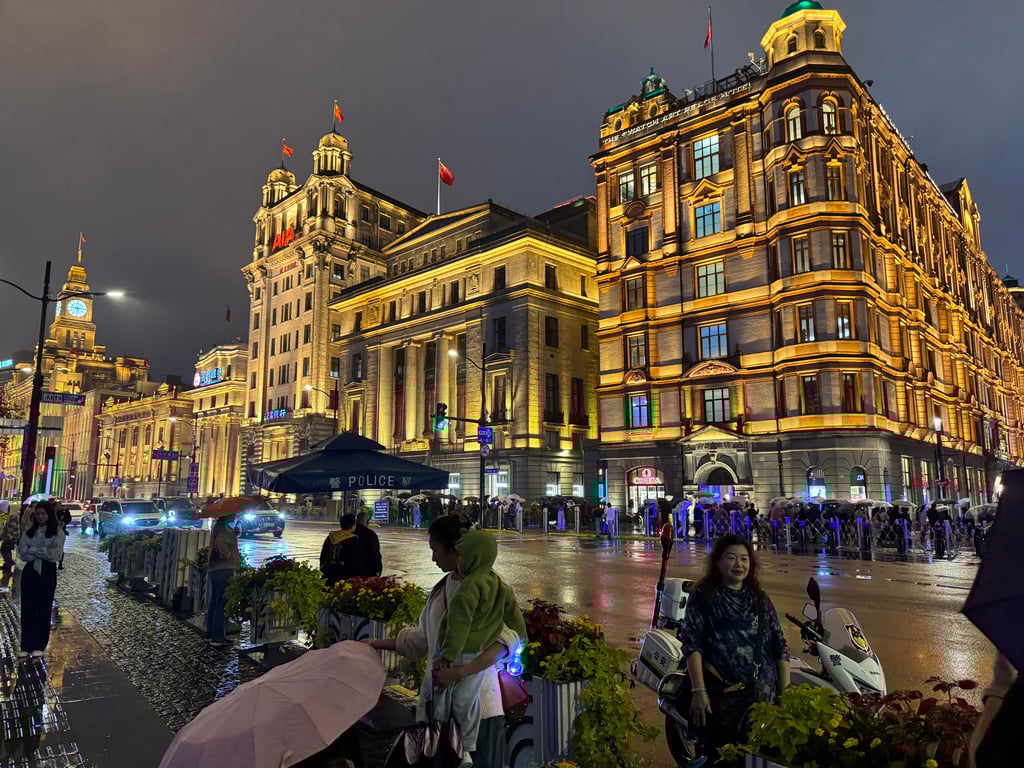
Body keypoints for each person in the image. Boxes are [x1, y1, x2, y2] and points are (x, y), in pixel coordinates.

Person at [368, 517, 525, 767]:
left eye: (436, 550)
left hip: (480, 711)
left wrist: (462, 672)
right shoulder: (442, 589)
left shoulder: (488, 588)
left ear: (459, 550)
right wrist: (375, 644)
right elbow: (423, 639)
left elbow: (509, 641)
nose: (433, 558)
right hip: (438, 711)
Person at [680, 534, 788, 765]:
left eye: (744, 559)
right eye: (731, 558)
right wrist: (699, 691)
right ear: (717, 562)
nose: (739, 565)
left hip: (761, 699)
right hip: (722, 698)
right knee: (724, 758)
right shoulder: (704, 595)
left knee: (759, 758)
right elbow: (692, 643)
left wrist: (784, 695)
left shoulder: (759, 599)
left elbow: (780, 646)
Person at [17, 501, 66, 659]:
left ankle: (39, 645)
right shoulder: (29, 532)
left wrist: (33, 550)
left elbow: (55, 555)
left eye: (43, 513)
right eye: (37, 514)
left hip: (47, 572)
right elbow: (23, 553)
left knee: (44, 608)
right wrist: (43, 550)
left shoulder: (57, 533)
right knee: (28, 608)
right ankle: (26, 645)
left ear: (49, 514)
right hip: (30, 572)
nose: (40, 517)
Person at [207, 513, 240, 646]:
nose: (235, 516)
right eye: (233, 514)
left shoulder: (219, 525)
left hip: (215, 569)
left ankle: (211, 634)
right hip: (224, 569)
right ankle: (218, 637)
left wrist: (235, 533)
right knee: (221, 604)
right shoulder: (223, 528)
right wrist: (227, 554)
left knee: (215, 602)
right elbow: (220, 543)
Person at [319, 513, 366, 586]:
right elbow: (357, 560)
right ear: (353, 526)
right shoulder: (354, 540)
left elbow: (323, 556)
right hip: (345, 576)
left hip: (328, 573)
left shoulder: (330, 537)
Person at [354, 511, 382, 577]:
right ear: (367, 522)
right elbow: (375, 553)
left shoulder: (351, 533)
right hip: (367, 571)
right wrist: (378, 569)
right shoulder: (371, 534)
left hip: (351, 570)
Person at [1, 505, 22, 569]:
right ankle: (9, 562)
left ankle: (9, 563)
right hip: (12, 537)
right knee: (7, 550)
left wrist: (6, 537)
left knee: (4, 550)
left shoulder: (13, 516)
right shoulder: (13, 515)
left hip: (11, 537)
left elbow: (10, 529)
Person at [57, 504, 72, 570]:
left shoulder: (63, 513)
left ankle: (60, 564)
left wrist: (66, 510)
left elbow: (68, 519)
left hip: (61, 532)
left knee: (60, 549)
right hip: (54, 533)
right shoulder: (54, 514)